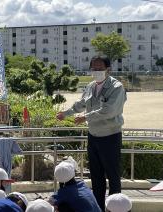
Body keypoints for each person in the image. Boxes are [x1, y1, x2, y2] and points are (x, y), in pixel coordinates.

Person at [57, 56, 127, 211]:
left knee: (113, 176)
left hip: (110, 137)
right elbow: (81, 104)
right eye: (93, 68)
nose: (96, 72)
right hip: (93, 137)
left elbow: (109, 111)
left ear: (108, 69)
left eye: (100, 68)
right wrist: (66, 113)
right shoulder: (90, 86)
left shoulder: (116, 87)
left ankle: (116, 208)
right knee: (96, 177)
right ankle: (98, 208)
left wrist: (85, 117)